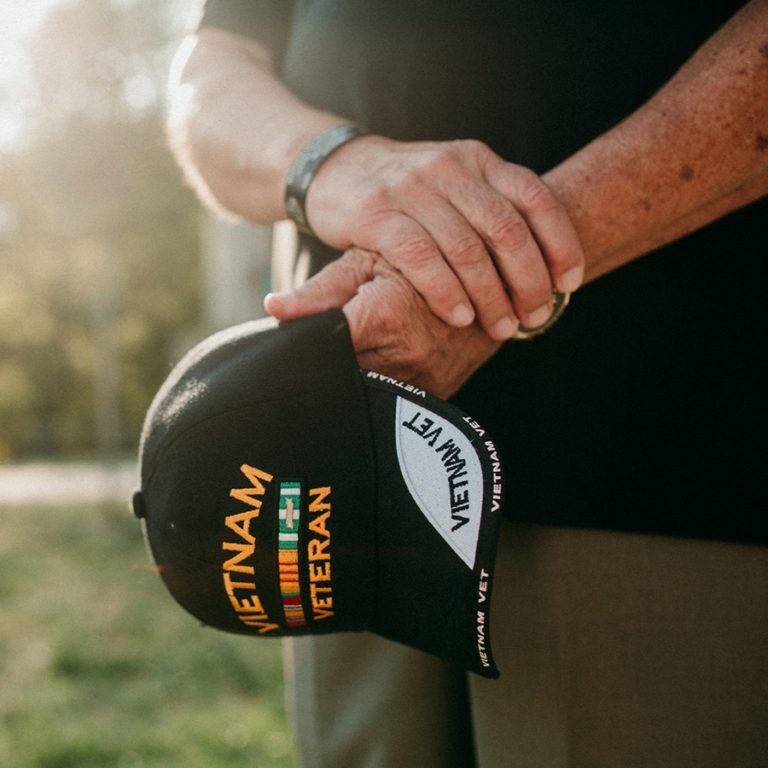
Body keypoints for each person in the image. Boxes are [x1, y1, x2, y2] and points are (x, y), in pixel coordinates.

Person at [166, 2, 768, 766]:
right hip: (347, 495)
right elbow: (208, 71)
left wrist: (500, 265)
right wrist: (331, 163)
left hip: (650, 456)